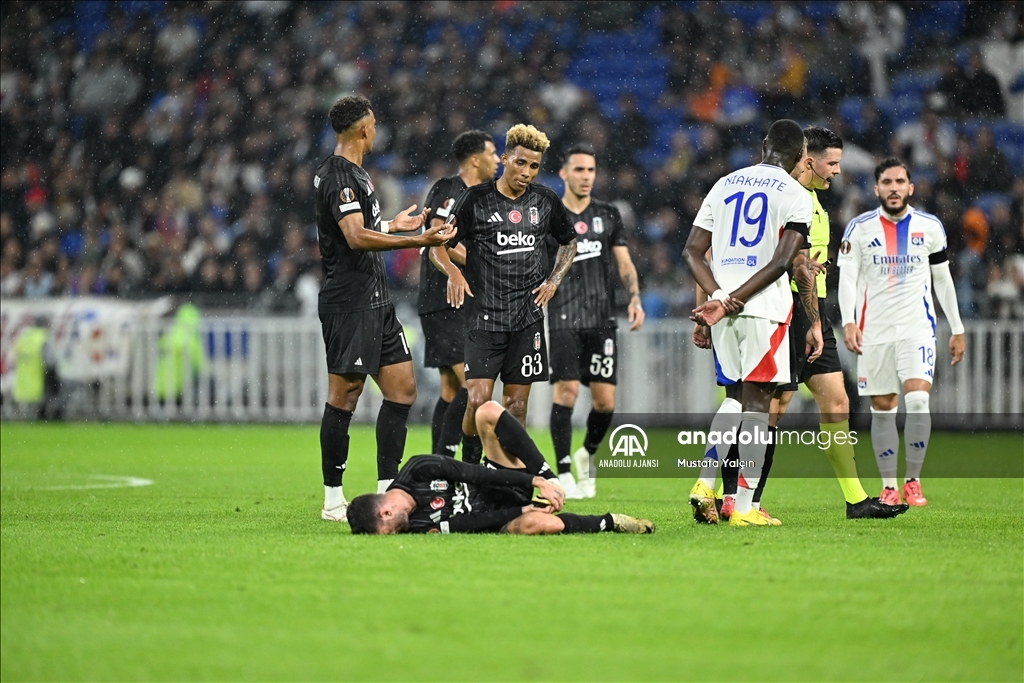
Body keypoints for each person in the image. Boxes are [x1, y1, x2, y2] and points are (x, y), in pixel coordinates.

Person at [704, 127, 908, 523]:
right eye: (832, 163)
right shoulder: (788, 198)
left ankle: (856, 500)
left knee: (836, 401)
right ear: (808, 160)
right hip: (785, 307)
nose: (836, 172)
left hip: (813, 308)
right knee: (771, 406)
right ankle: (738, 498)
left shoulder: (811, 200)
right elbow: (770, 261)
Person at [314, 95, 455, 522]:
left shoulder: (358, 174)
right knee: (345, 395)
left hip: (376, 300)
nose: (376, 131)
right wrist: (418, 241)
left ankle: (387, 491)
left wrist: (395, 225)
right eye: (373, 125)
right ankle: (333, 499)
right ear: (362, 129)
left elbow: (362, 229)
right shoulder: (339, 174)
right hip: (350, 303)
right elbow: (355, 238)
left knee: (402, 390)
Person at [681, 119, 813, 528]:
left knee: (735, 399)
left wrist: (719, 298)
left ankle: (706, 482)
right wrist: (734, 301)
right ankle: (743, 508)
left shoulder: (724, 183)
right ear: (799, 157)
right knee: (759, 405)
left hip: (724, 310)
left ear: (764, 146)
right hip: (763, 309)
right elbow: (780, 262)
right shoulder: (796, 194)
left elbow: (691, 251)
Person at [430, 124, 577, 465]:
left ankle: (512, 481)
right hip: (485, 320)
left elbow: (569, 241)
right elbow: (437, 245)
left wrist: (554, 280)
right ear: (506, 158)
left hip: (527, 322)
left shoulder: (545, 201)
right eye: (520, 163)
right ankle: (469, 473)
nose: (526, 172)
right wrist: (453, 271)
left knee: (516, 407)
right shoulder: (476, 199)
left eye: (534, 166)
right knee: (478, 401)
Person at [838, 157, 965, 508]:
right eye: (887, 182)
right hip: (874, 331)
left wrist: (957, 327)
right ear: (876, 189)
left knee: (919, 399)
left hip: (917, 329)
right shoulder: (859, 229)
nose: (893, 188)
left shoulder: (931, 227)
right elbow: (846, 279)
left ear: (911, 187)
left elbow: (942, 279)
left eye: (899, 182)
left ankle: (913, 480)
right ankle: (889, 486)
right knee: (882, 407)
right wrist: (848, 321)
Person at [347, 401, 655, 535]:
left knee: (487, 411)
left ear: (384, 512)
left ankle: (550, 475)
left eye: (387, 531)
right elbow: (472, 523)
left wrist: (537, 480)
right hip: (498, 518)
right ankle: (610, 521)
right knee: (543, 525)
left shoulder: (417, 469)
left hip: (497, 477)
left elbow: (477, 473)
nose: (394, 534)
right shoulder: (415, 527)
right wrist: (519, 513)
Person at [546, 146, 645, 499]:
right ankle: (561, 471)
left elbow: (624, 262)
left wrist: (634, 297)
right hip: (562, 317)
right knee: (567, 391)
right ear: (564, 173)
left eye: (591, 170)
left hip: (602, 319)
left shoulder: (608, 214)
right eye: (579, 170)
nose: (586, 176)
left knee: (605, 402)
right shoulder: (549, 215)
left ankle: (586, 453)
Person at [417, 130, 500, 457]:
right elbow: (435, 238)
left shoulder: (481, 197)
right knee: (473, 387)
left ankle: (440, 466)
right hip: (444, 302)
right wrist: (464, 266)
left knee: (452, 390)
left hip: (460, 304)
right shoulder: (450, 189)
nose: (498, 160)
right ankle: (464, 466)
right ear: (475, 159)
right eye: (493, 153)